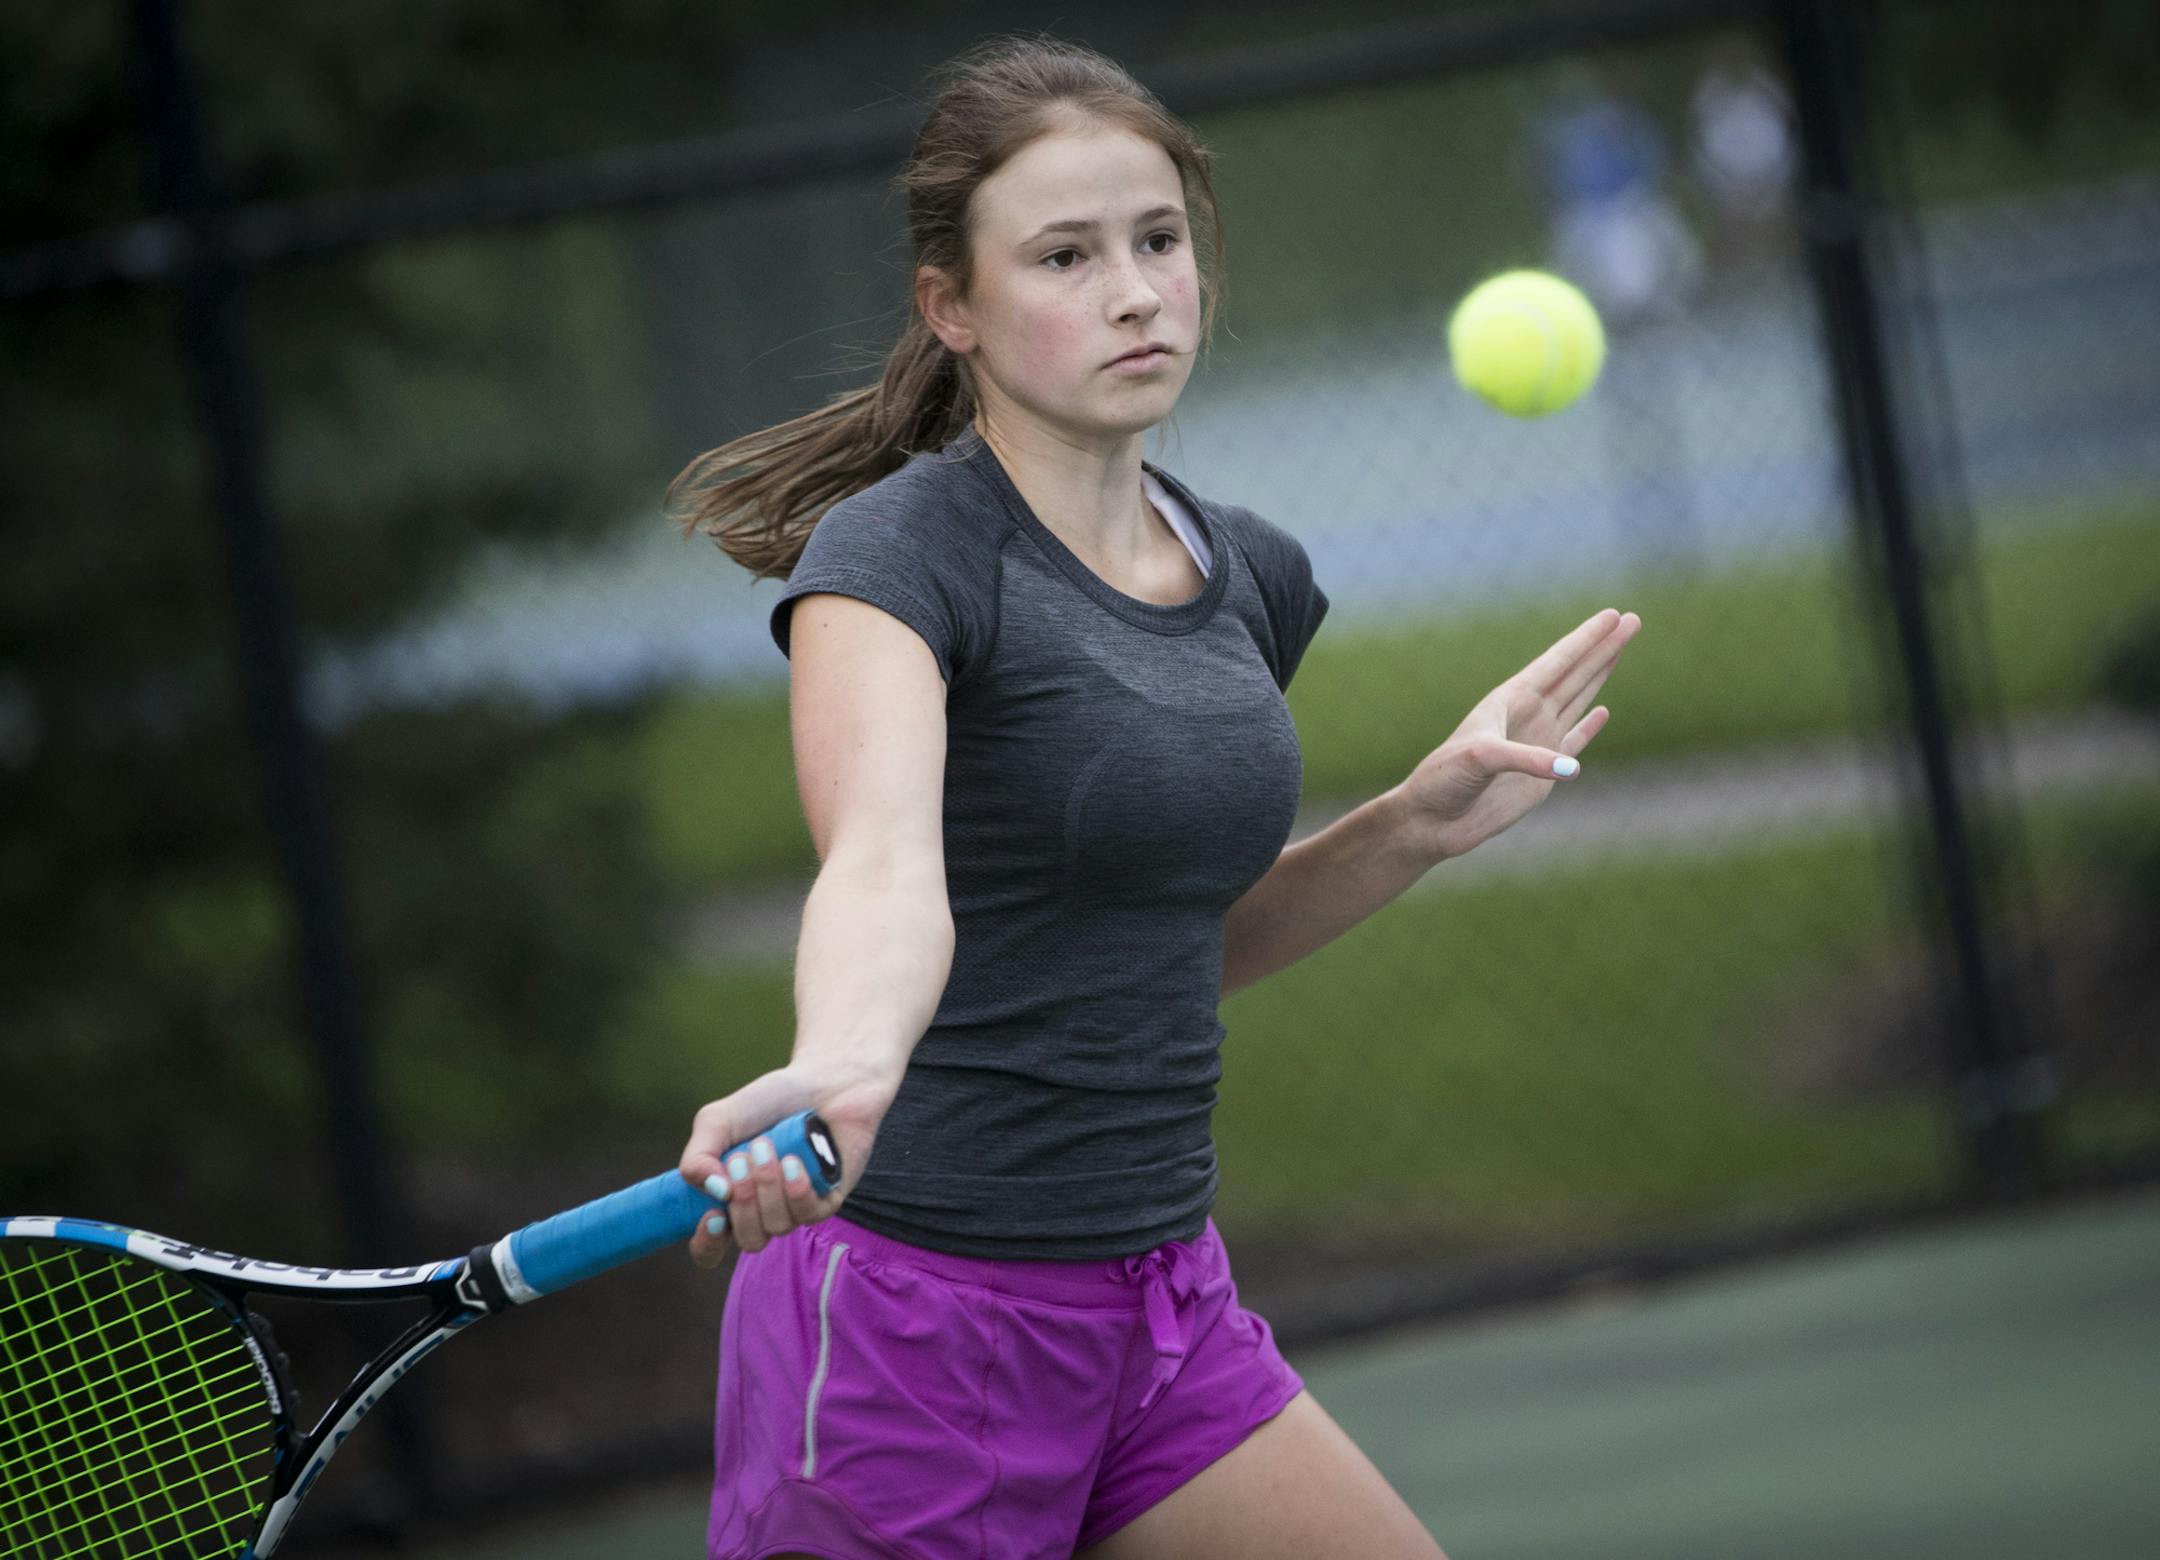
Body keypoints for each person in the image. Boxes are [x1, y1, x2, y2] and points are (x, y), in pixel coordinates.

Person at [664, 32, 1640, 1560]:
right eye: (1063, 255)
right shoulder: (894, 563)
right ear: (955, 309)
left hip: (1161, 1310)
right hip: (912, 1326)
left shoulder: (1250, 572)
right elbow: (878, 868)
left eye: (1158, 240)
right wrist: (846, 1058)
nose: (1132, 289)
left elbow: (1162, 943)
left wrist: (1413, 825)